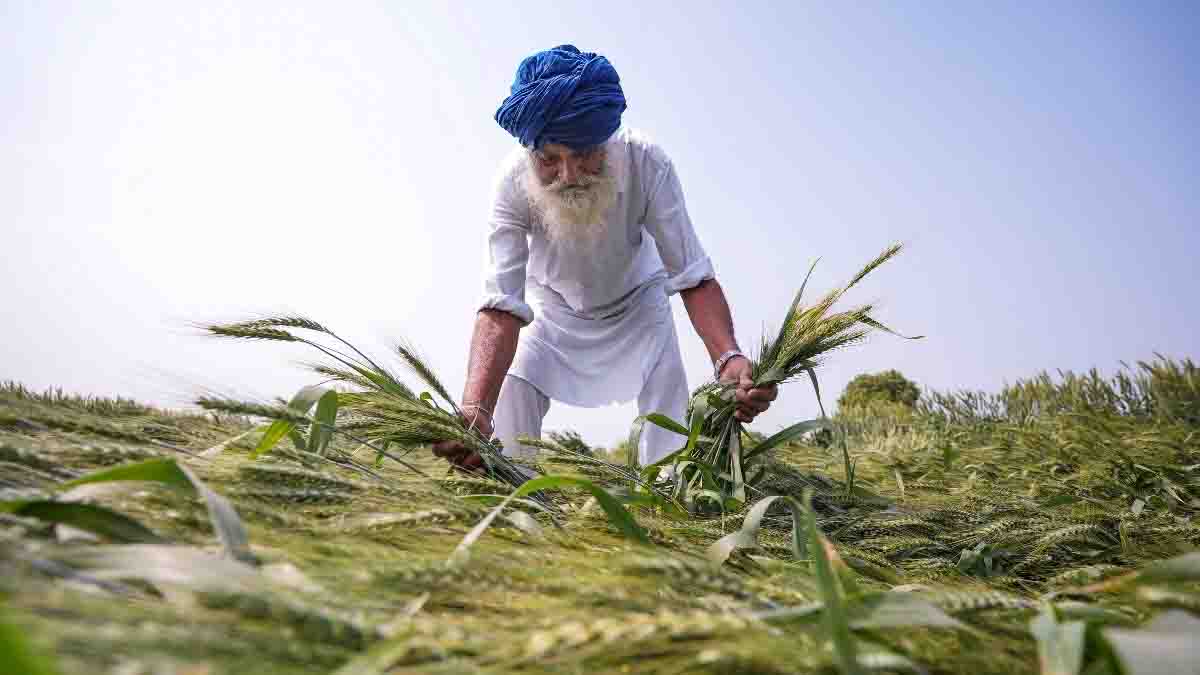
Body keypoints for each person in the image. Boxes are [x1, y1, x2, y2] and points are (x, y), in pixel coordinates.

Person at [433, 45, 777, 472]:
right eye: (549, 159)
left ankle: (668, 504)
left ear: (607, 140)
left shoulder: (648, 163)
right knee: (510, 393)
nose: (569, 175)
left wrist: (728, 358)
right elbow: (500, 304)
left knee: (667, 410)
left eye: (583, 154)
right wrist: (474, 407)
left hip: (639, 306)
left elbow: (692, 275)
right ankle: (511, 503)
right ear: (529, 152)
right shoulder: (510, 184)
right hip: (552, 313)